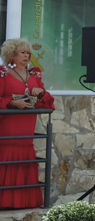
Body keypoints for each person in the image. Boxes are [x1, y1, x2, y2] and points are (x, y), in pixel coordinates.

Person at [0, 39, 55, 209]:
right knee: (8, 159)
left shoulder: (35, 74)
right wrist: (11, 103)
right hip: (9, 127)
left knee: (25, 157)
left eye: (28, 52)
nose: (26, 55)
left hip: (27, 128)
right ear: (11, 55)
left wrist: (40, 94)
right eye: (22, 52)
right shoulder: (3, 73)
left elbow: (47, 103)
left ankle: (24, 203)